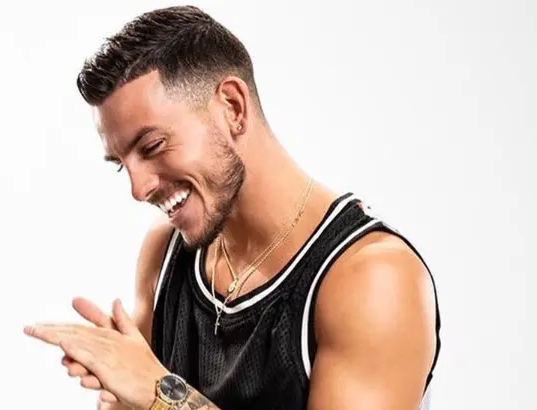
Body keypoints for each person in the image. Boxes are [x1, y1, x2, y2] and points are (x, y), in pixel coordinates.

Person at [24, 5, 441, 410]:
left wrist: (159, 393)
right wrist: (120, 389)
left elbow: (154, 393)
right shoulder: (165, 253)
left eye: (152, 146)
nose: (138, 188)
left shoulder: (372, 279)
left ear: (232, 107)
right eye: (121, 165)